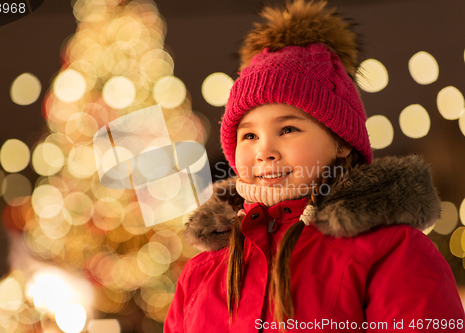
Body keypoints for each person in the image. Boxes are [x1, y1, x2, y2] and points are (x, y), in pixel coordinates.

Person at [164, 0, 465, 332]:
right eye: (248, 135)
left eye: (288, 129)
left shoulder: (391, 252)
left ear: (341, 141)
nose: (264, 151)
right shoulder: (200, 273)